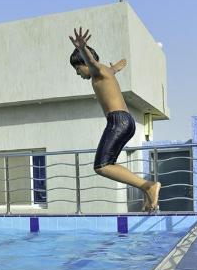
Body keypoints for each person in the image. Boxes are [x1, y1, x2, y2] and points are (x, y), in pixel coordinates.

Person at [68, 27, 162, 212]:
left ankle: (148, 186)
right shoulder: (106, 72)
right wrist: (118, 65)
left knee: (101, 166)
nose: (78, 73)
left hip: (118, 121)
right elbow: (113, 69)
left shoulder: (97, 70)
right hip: (126, 121)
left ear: (84, 63)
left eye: (77, 68)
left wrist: (82, 48)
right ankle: (148, 193)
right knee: (108, 163)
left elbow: (92, 62)